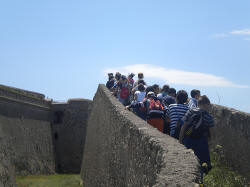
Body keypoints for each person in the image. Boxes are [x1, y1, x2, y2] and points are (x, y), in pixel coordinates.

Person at [179, 95, 214, 172]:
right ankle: (200, 180)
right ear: (206, 104)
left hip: (188, 139)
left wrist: (180, 139)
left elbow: (184, 126)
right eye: (209, 105)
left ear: (198, 104)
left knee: (186, 160)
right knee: (201, 163)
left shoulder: (190, 111)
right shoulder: (209, 117)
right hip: (201, 142)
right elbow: (211, 134)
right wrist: (209, 143)